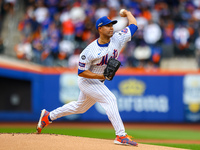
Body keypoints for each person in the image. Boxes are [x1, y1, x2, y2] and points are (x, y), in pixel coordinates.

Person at [36, 9, 138, 146]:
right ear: (100, 29)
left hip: (98, 81)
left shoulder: (118, 37)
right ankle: (120, 135)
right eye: (108, 25)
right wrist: (100, 75)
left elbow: (134, 25)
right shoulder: (90, 50)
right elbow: (81, 72)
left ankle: (48, 116)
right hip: (87, 81)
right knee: (110, 99)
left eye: (112, 25)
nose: (111, 28)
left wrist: (127, 13)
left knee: (80, 107)